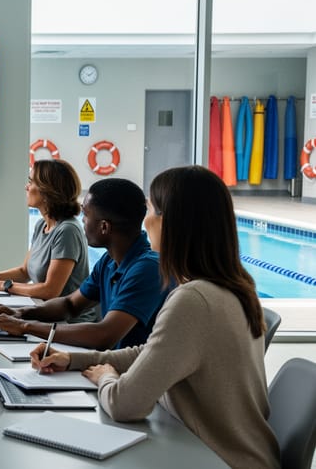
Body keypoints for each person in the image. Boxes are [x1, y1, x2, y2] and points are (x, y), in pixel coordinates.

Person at [33, 166, 280, 469]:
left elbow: (125, 405)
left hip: (221, 459)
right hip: (219, 451)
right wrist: (75, 360)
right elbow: (151, 354)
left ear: (173, 223)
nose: (145, 221)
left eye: (151, 210)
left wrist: (105, 375)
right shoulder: (233, 286)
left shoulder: (194, 300)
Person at [0, 178, 168, 349]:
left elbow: (105, 335)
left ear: (104, 227)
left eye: (85, 215)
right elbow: (70, 304)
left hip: (126, 376)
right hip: (108, 367)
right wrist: (21, 313)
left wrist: (25, 327)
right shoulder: (110, 260)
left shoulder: (147, 269)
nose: (82, 221)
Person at [0, 159, 97, 323]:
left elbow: (51, 290)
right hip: (45, 314)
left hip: (69, 324)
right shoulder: (41, 225)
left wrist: (4, 286)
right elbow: (24, 272)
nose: (26, 187)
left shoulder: (67, 231)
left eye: (31, 182)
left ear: (47, 192)